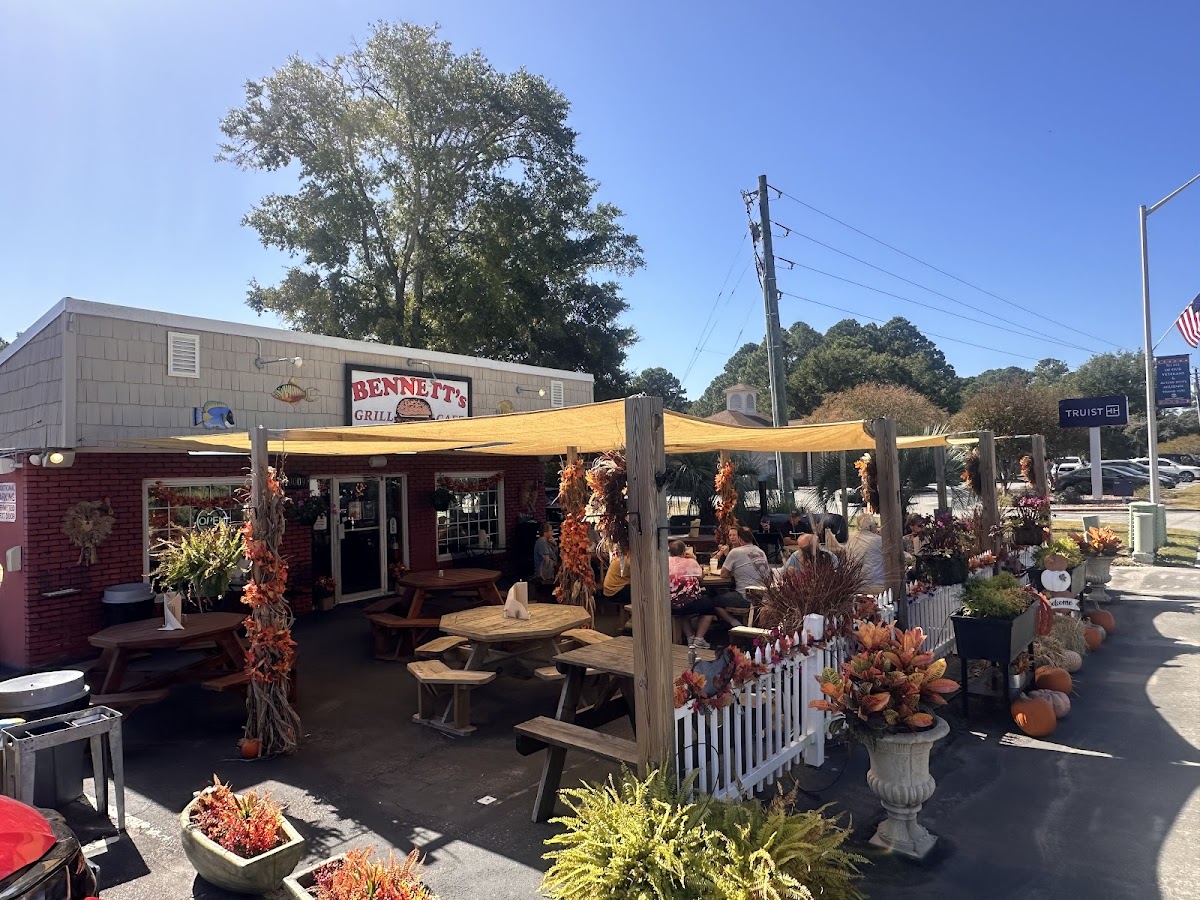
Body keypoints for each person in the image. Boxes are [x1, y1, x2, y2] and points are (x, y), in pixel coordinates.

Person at [668, 540, 719, 649]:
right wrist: (694, 559)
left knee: (682, 609)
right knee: (709, 605)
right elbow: (700, 576)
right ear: (683, 552)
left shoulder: (664, 562)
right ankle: (699, 639)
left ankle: (690, 638)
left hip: (668, 604)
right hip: (687, 604)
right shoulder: (690, 562)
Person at [712, 526, 768, 620]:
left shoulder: (735, 552)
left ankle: (735, 624)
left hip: (745, 597)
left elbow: (723, 574)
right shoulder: (760, 551)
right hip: (762, 597)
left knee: (713, 601)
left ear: (740, 539)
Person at [847, 513, 886, 594]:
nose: (877, 527)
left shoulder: (850, 538)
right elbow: (894, 554)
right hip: (876, 585)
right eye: (876, 524)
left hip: (855, 585)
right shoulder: (878, 540)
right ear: (871, 527)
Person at [533, 522, 559, 598]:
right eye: (550, 530)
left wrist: (554, 544)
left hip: (550, 569)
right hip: (544, 572)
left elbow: (555, 554)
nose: (552, 532)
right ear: (545, 532)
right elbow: (546, 560)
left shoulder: (548, 542)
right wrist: (556, 566)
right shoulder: (541, 543)